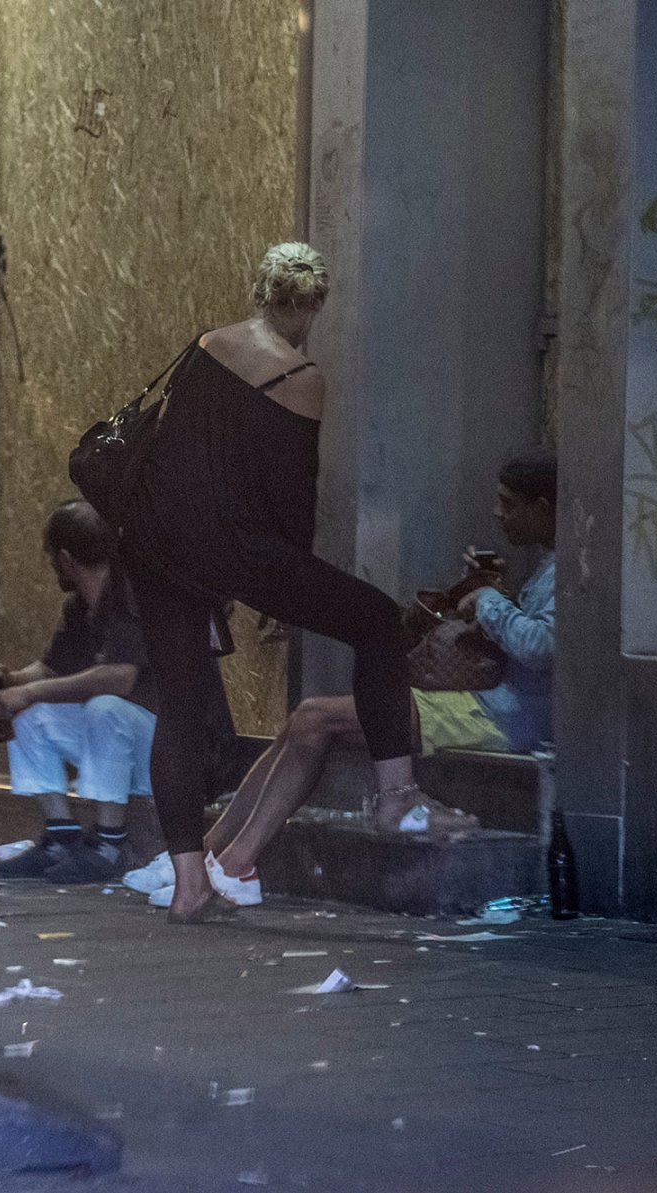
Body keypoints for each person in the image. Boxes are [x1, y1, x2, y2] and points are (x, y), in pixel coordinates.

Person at [121, 242, 465, 921]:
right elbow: (291, 494)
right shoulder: (298, 375)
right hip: (236, 547)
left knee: (181, 709)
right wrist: (286, 589)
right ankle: (398, 799)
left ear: (258, 290)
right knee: (376, 620)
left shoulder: (206, 344)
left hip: (154, 543)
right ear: (313, 305)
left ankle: (191, 886)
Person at [128, 450, 557, 908]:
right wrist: (482, 589)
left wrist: (490, 602)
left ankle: (238, 864)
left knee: (316, 719)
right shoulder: (545, 564)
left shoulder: (569, 571)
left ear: (545, 508)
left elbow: (543, 646)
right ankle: (213, 852)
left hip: (506, 718)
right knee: (303, 719)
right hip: (486, 702)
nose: (498, 513)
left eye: (510, 503)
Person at [0, 501, 161, 883]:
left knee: (104, 706)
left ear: (64, 558)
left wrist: (32, 691)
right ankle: (61, 835)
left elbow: (120, 677)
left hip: (166, 748)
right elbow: (49, 670)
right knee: (26, 711)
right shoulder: (80, 606)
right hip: (119, 742)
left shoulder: (132, 593)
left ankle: (110, 844)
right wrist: (8, 682)